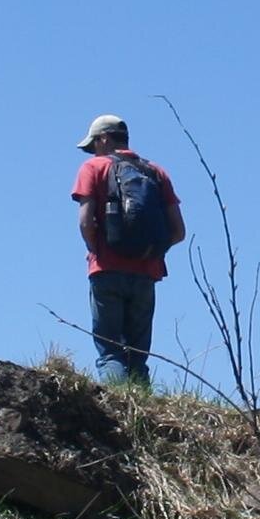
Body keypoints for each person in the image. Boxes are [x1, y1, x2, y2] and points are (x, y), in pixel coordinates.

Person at [71, 114, 185, 386]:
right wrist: (151, 253)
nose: (93, 151)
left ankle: (121, 412)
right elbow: (179, 232)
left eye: (94, 144)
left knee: (111, 351)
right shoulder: (156, 172)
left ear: (103, 139)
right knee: (138, 355)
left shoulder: (93, 167)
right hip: (147, 273)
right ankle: (143, 416)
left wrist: (95, 249)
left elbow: (85, 222)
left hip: (106, 268)